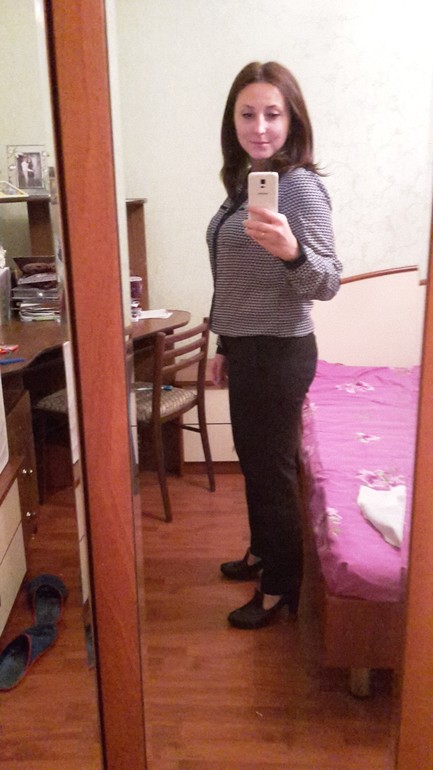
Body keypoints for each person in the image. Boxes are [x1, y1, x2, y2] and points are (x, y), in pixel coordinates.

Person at [207, 61, 342, 630]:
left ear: (292, 121)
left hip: (280, 351)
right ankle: (264, 551)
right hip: (246, 347)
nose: (259, 126)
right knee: (256, 462)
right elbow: (233, 278)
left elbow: (328, 281)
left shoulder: (300, 186)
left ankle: (282, 586)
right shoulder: (246, 183)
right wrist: (223, 343)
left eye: (272, 114)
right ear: (232, 121)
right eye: (247, 114)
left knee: (272, 470)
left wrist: (293, 253)